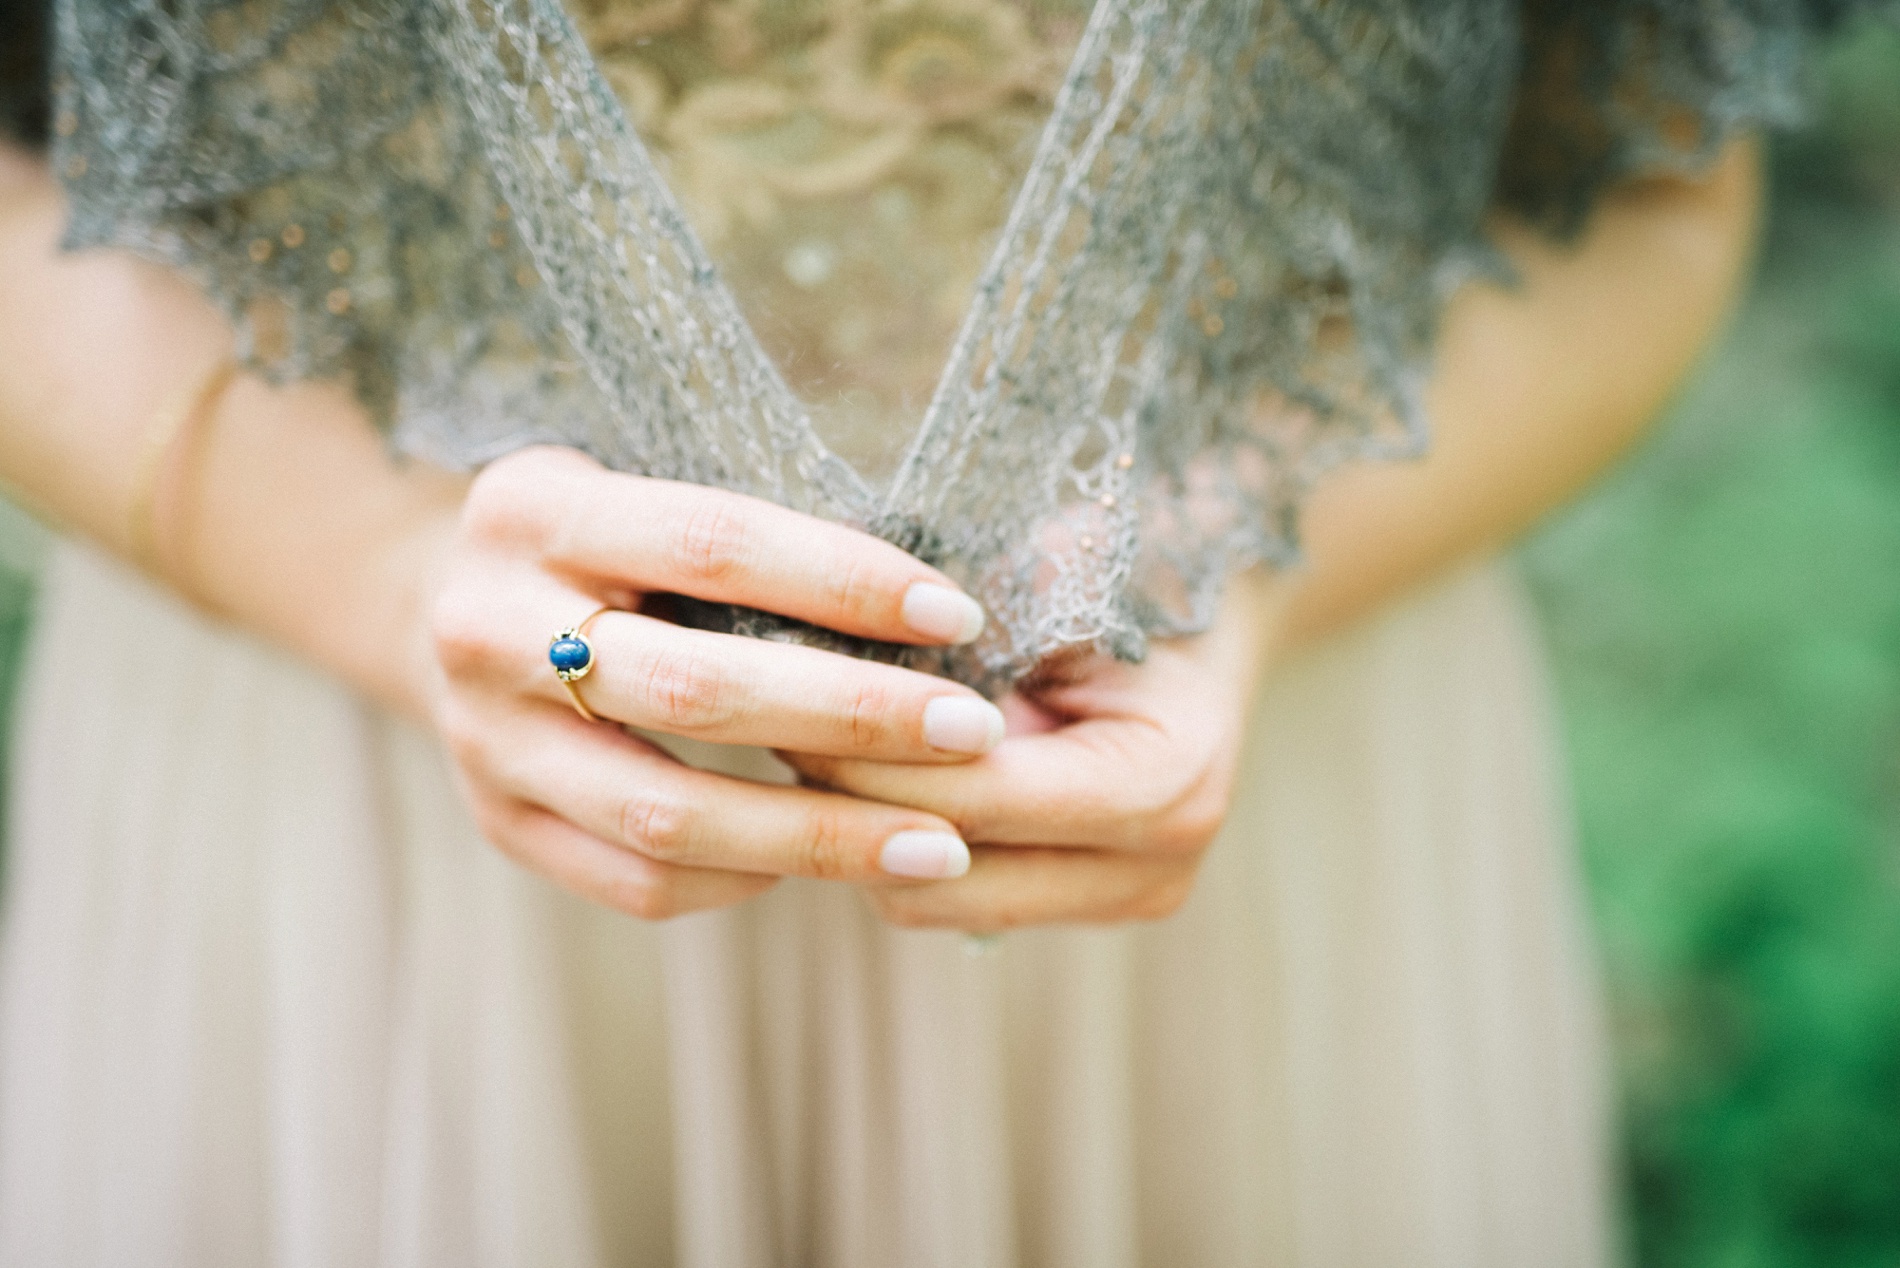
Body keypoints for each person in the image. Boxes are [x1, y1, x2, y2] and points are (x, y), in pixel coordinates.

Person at [0, 0, 1790, 1262]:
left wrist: (1230, 562)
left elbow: (1652, 175)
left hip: (1210, 826)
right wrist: (389, 581)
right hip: (383, 847)